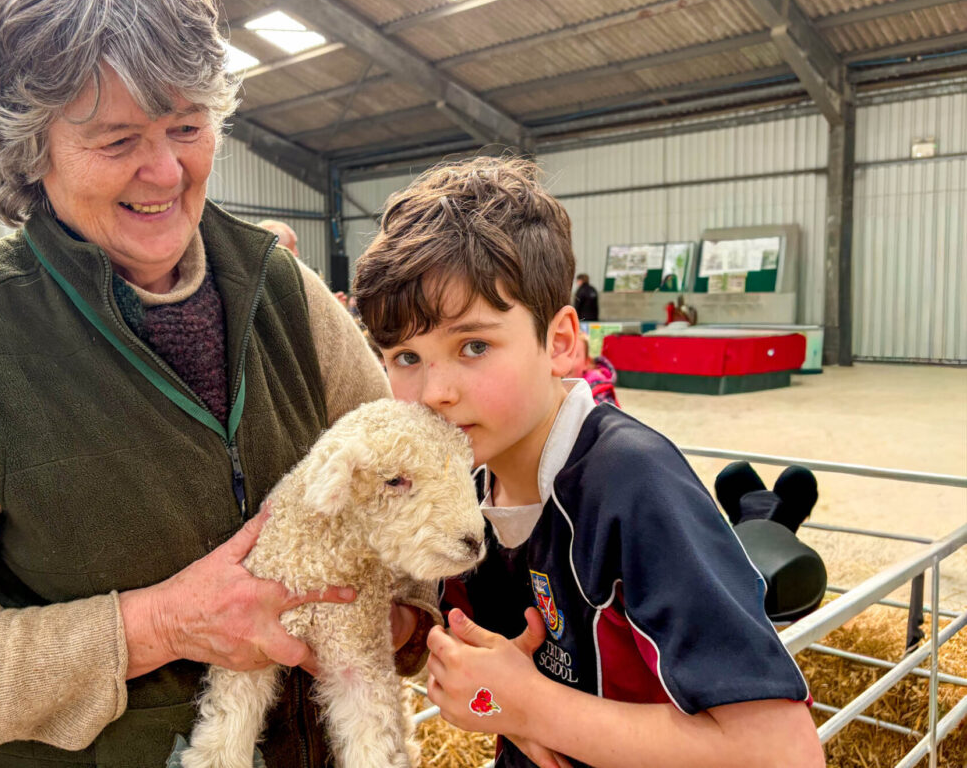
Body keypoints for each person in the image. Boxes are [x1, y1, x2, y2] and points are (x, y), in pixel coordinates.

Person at [0, 0, 434, 767]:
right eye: (117, 140)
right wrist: (156, 625)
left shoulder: (286, 294)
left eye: (186, 126)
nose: (165, 171)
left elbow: (404, 497)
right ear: (30, 148)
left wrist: (401, 614)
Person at [352, 157, 824, 768]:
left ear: (560, 342)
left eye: (474, 345)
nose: (434, 392)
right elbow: (477, 660)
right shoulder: (465, 485)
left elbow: (782, 752)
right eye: (405, 357)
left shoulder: (633, 485)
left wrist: (531, 709)